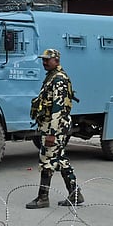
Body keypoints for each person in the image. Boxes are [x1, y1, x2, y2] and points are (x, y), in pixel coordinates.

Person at [26, 48, 84, 209]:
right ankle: (75, 194)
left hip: (55, 127)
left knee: (47, 160)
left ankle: (42, 198)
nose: (44, 62)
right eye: (43, 60)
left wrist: (52, 133)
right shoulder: (52, 77)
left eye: (47, 60)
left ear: (56, 60)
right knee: (60, 159)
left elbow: (57, 109)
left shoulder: (58, 79)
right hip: (53, 126)